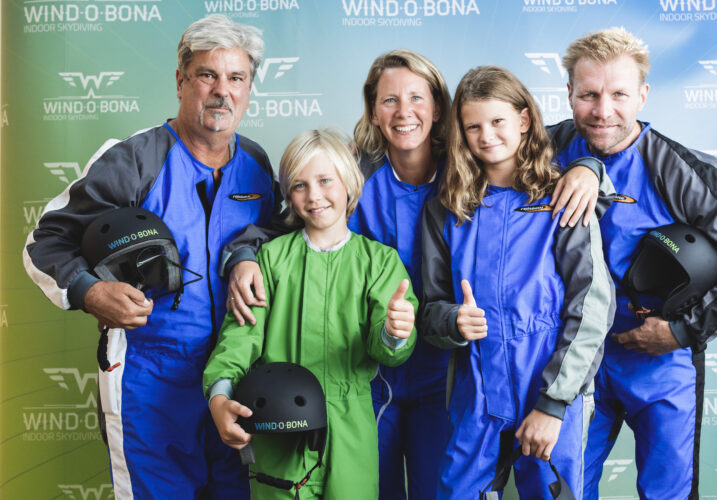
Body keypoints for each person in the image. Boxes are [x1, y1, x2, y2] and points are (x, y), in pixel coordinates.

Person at [22, 14, 286, 499]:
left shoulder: (257, 166)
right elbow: (44, 243)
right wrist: (90, 290)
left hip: (234, 377)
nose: (222, 91)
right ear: (181, 80)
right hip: (148, 378)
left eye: (237, 78)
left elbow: (274, 235)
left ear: (250, 88)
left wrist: (247, 252)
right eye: (208, 75)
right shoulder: (133, 161)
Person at [548, 27, 717, 499]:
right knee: (565, 491)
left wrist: (681, 332)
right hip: (575, 360)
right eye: (589, 94)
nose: (602, 111)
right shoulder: (544, 149)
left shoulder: (680, 168)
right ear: (569, 94)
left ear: (643, 94)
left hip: (661, 362)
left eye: (619, 94)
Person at [420, 65, 616, 499]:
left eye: (497, 122)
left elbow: (592, 306)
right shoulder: (446, 209)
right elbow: (429, 309)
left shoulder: (563, 196)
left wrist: (553, 404)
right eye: (473, 126)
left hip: (548, 384)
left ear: (524, 120)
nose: (486, 135)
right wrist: (453, 321)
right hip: (476, 390)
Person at [203, 128, 418, 499]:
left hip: (351, 428)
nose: (314, 196)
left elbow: (387, 348)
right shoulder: (270, 260)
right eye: (300, 185)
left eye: (324, 181)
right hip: (277, 427)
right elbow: (240, 339)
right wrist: (220, 394)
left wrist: (395, 331)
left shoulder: (379, 263)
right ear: (288, 194)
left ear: (348, 183)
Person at [346, 49, 452, 500]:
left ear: (438, 107)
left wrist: (588, 167)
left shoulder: (469, 174)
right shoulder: (348, 177)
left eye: (416, 98)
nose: (404, 112)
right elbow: (290, 230)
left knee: (438, 490)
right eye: (389, 100)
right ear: (373, 110)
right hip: (368, 370)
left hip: (446, 371)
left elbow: (542, 151)